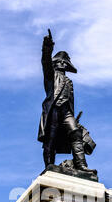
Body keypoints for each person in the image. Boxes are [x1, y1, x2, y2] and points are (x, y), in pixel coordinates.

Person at [38, 30, 96, 173]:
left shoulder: (69, 81)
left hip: (66, 112)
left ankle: (81, 165)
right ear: (58, 63)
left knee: (75, 132)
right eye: (63, 62)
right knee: (50, 139)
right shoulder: (51, 76)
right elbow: (45, 62)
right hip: (53, 110)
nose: (64, 64)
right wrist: (47, 47)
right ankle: (49, 166)